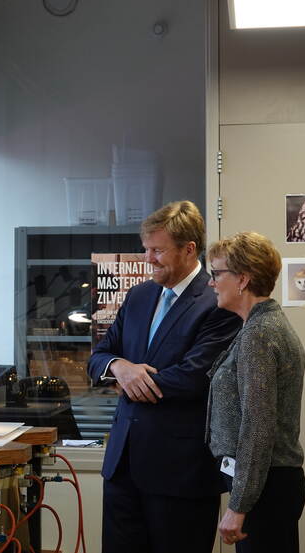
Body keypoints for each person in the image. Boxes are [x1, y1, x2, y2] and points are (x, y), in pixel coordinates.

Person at [88, 200, 241, 553]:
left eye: (157, 250)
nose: (148, 259)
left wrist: (131, 382)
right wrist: (119, 367)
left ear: (189, 249)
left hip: (180, 473)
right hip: (123, 468)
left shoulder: (217, 300)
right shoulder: (139, 296)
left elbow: (194, 377)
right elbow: (98, 357)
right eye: (146, 249)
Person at [206, 232, 305, 552]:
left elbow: (258, 425)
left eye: (216, 273)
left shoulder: (259, 334)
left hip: (264, 487)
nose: (211, 283)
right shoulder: (263, 325)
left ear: (243, 279)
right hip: (268, 483)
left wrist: (239, 505)